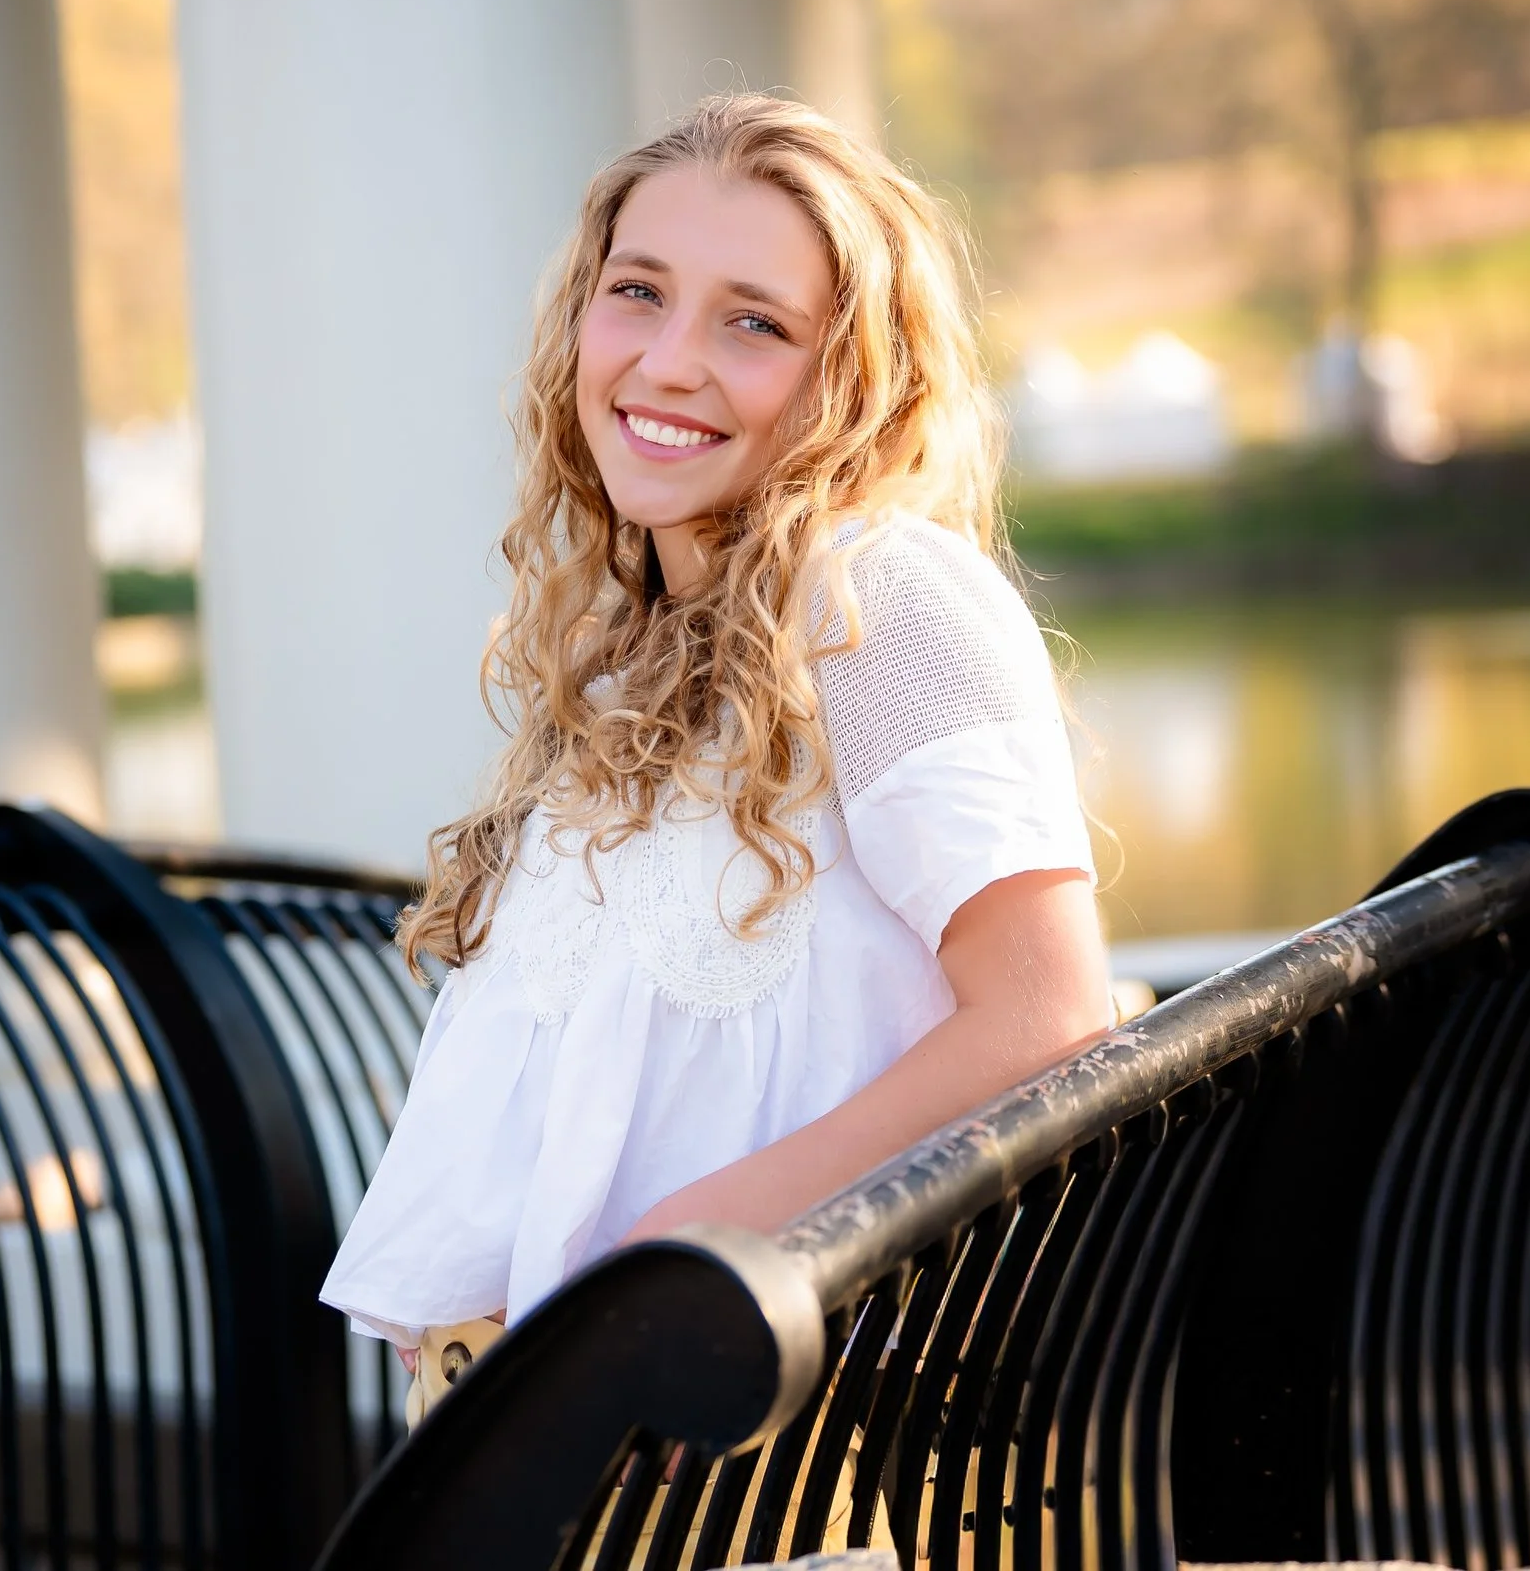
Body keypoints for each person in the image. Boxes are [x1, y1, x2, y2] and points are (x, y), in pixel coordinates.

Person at [320, 94, 1112, 1417]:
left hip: (775, 1405)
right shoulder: (635, 653)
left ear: (850, 377)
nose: (670, 361)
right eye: (639, 293)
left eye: (754, 322)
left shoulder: (880, 599)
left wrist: (678, 1254)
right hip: (577, 1421)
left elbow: (1046, 1019)